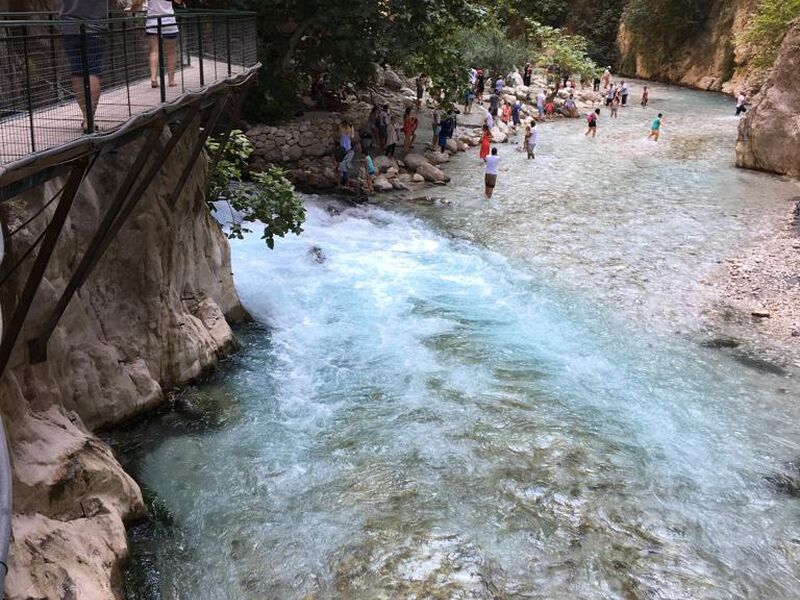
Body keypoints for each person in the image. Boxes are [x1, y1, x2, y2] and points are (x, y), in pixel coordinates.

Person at [59, 0, 108, 132]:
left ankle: (86, 116)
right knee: (93, 71)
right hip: (95, 27)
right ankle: (90, 119)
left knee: (77, 71)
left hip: (70, 27)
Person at [131, 0, 183, 89]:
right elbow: (178, 2)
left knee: (154, 51)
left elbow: (137, 3)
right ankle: (171, 81)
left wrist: (131, 9)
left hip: (153, 22)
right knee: (171, 52)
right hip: (169, 21)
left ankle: (153, 79)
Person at [339, 121, 355, 187]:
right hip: (348, 148)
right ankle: (346, 182)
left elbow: (340, 132)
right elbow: (352, 135)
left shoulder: (342, 130)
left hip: (343, 147)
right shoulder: (349, 131)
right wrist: (351, 127)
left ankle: (343, 179)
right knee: (346, 163)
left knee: (343, 162)